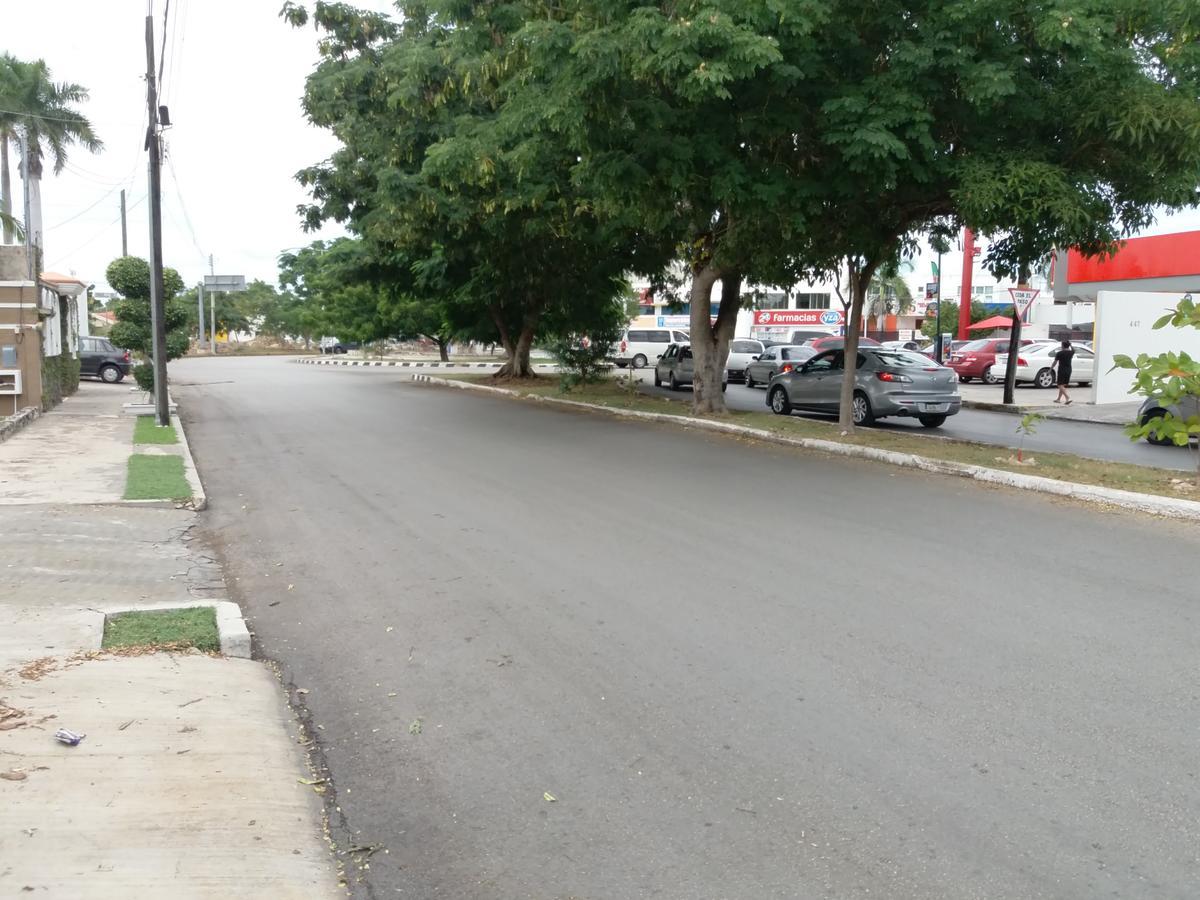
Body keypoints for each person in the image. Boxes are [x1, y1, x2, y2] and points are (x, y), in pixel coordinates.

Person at [1052, 339, 1075, 405]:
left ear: (1062, 346)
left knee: (1059, 385)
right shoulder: (1071, 352)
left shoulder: (1059, 353)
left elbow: (1055, 362)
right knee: (1062, 385)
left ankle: (1068, 397)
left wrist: (1050, 369)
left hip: (1062, 370)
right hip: (1069, 370)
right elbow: (1073, 350)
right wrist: (1071, 345)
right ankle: (1058, 399)